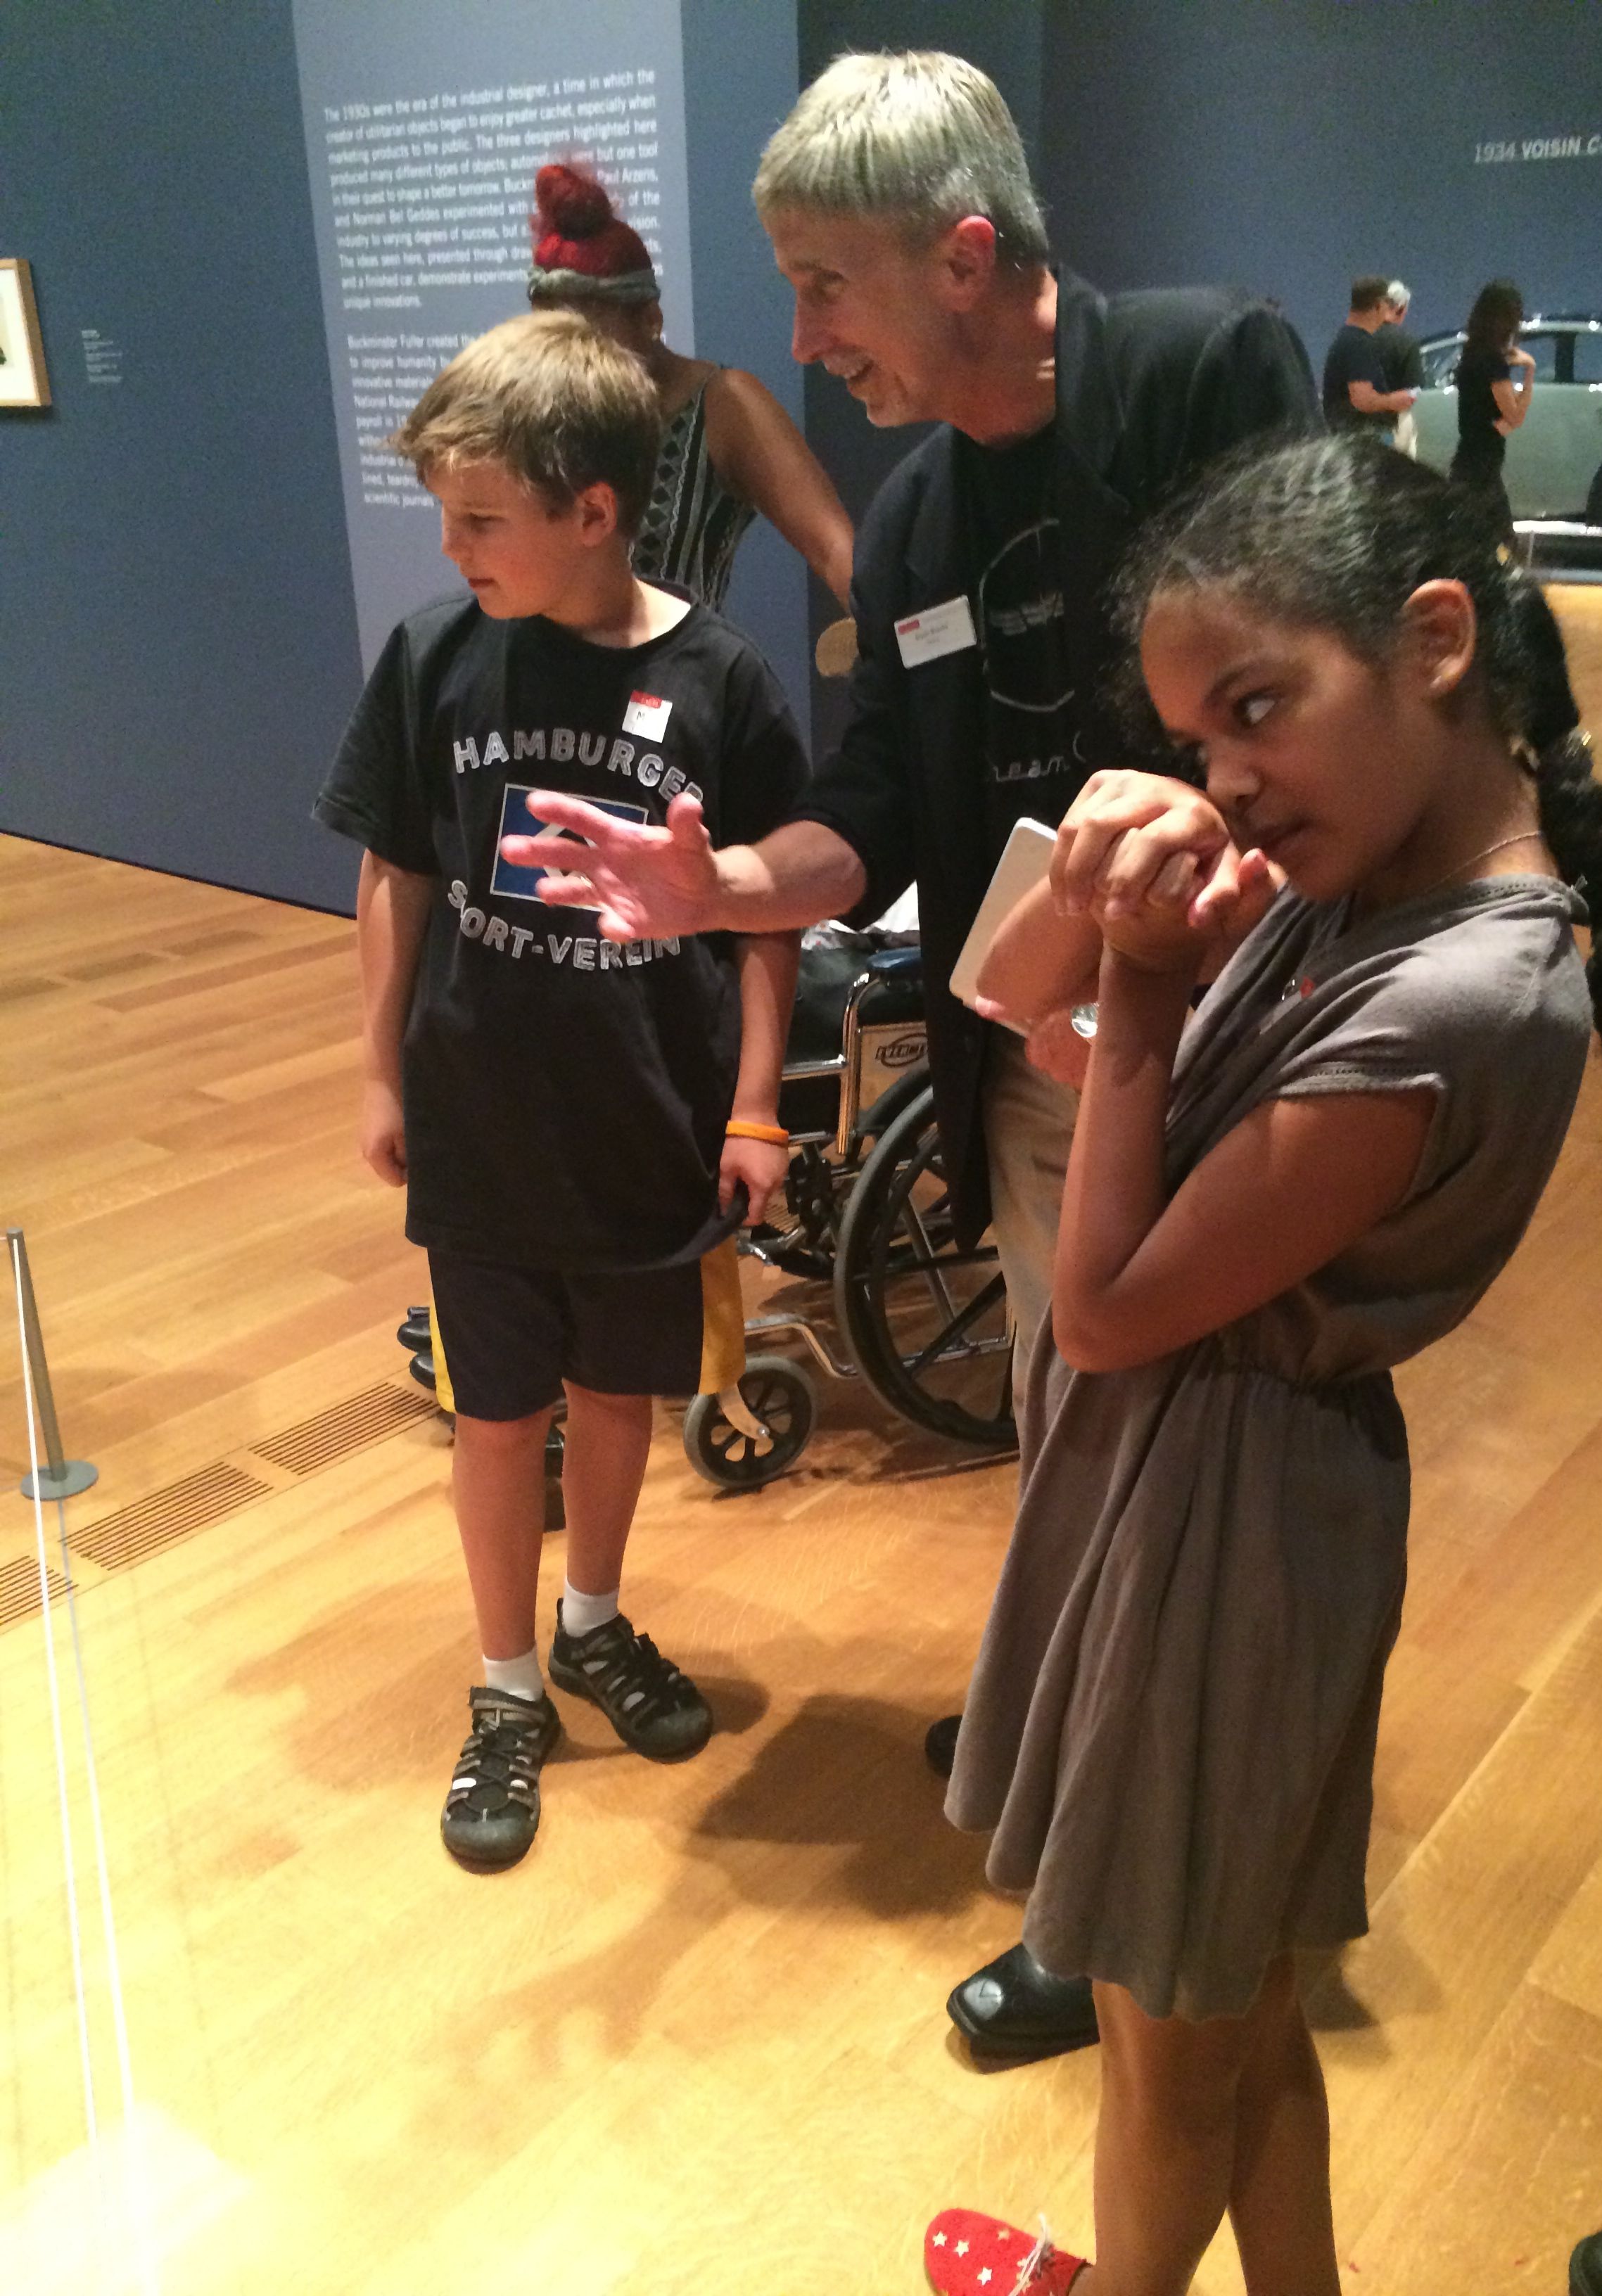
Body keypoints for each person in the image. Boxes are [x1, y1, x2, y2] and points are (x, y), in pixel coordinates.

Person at [501, 48, 1318, 2058]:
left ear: (964, 256)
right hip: (1039, 1070)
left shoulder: (1201, 376)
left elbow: (1321, 688)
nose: (799, 337)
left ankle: (1127, 1908)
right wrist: (726, 887)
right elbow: (874, 801)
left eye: (824, 284)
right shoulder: (921, 509)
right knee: (1069, 1431)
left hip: (1234, 1050)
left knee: (1177, 1467)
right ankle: (1070, 1734)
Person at [921, 433, 1602, 2295]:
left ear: (1434, 641)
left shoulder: (1461, 996)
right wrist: (1100, 883)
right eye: (1195, 738)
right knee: (1237, 2012)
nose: (1227, 776)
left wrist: (1152, 984)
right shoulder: (1358, 880)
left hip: (1231, 1531)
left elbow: (1107, 1306)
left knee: (1166, 2052)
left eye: (1256, 708)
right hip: (1185, 1486)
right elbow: (1019, 1007)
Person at [314, 312, 807, 1870]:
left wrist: (755, 1106)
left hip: (648, 1121)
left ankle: (592, 1619)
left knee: (615, 1398)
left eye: (480, 519)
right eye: (444, 516)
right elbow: (395, 871)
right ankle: (507, 1680)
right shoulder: (436, 658)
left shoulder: (721, 680)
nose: (450, 548)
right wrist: (380, 1068)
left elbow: (770, 917)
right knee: (494, 1415)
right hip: (482, 1121)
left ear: (593, 511)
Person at [528, 160, 853, 612]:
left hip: (683, 659)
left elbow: (835, 550)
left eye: (592, 338)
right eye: (553, 340)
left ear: (650, 320)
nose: (574, 362)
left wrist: (904, 641)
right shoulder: (538, 413)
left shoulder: (724, 404)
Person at [1451, 277, 1536, 547]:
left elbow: (1486, 409)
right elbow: (1516, 417)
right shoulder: (1494, 362)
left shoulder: (1471, 353)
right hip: (1484, 461)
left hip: (1470, 455)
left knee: (1471, 534)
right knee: (1499, 538)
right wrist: (1530, 371)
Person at [1321, 275, 1417, 438]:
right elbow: (1362, 400)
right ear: (1378, 305)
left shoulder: (1348, 338)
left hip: (1350, 436)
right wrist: (1395, 400)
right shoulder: (1358, 343)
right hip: (1360, 439)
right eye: (1387, 305)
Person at [1375, 281, 1425, 455]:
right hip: (1394, 424)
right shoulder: (1406, 342)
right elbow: (1415, 391)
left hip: (1360, 424)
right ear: (1400, 308)